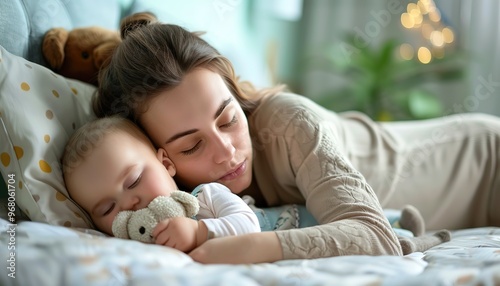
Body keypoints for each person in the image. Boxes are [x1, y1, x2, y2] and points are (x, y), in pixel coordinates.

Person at [94, 12, 500, 264]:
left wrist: (252, 247)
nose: (227, 151)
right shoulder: (172, 193)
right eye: (191, 145)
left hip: (486, 160)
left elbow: (375, 235)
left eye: (228, 118)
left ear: (237, 96)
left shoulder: (287, 123)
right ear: (159, 156)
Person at [61, 116, 261, 253]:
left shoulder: (206, 196)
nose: (129, 204)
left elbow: (250, 228)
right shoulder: (132, 249)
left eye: (134, 181)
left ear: (165, 164)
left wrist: (197, 232)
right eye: (107, 209)